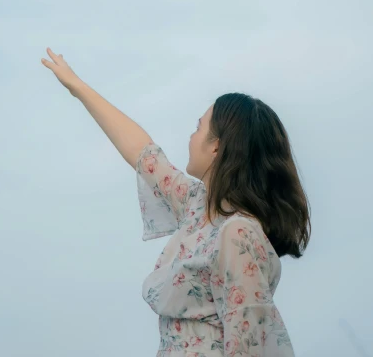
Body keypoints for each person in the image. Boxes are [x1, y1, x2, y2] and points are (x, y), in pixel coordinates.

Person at [41, 48, 311, 356]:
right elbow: (144, 154)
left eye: (199, 128)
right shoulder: (198, 208)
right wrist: (77, 86)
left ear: (216, 148)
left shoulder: (238, 233)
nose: (191, 136)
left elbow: (248, 344)